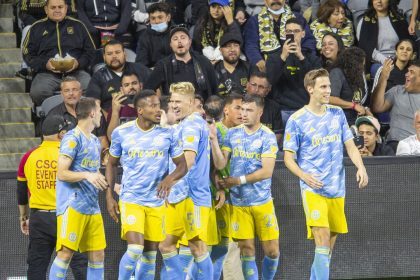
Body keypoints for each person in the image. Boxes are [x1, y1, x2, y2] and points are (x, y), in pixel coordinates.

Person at [283, 68, 369, 280]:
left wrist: (361, 167)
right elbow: (288, 158)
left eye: (329, 86)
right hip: (313, 189)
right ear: (310, 89)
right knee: (321, 240)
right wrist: (304, 176)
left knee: (327, 249)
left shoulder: (337, 114)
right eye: (323, 86)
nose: (328, 90)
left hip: (336, 188)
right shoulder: (297, 119)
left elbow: (349, 145)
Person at [105, 90, 187, 279]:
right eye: (153, 106)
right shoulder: (121, 133)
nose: (159, 110)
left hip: (156, 202)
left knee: (150, 257)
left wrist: (169, 179)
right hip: (131, 199)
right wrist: (109, 196)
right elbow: (111, 163)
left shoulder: (169, 134)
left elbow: (182, 165)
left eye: (159, 105)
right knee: (135, 249)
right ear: (140, 110)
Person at [209, 94, 280, 280]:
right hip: (238, 204)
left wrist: (237, 181)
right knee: (246, 250)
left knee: (272, 252)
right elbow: (221, 163)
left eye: (249, 110)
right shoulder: (232, 134)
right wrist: (214, 142)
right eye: (241, 109)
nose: (244, 114)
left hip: (262, 202)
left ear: (260, 112)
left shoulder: (268, 136)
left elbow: (266, 172)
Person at [17, 115, 87, 280]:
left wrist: (24, 217)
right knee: (79, 264)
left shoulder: (28, 157)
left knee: (37, 265)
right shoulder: (71, 155)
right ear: (61, 134)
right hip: (68, 216)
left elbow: (21, 191)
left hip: (39, 218)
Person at [159, 82, 213, 280]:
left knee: (197, 246)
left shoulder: (192, 124)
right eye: (171, 100)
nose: (173, 105)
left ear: (191, 102)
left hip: (193, 196)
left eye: (178, 101)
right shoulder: (182, 124)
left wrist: (168, 181)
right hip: (177, 196)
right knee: (165, 245)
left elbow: (188, 161)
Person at [49, 98, 108, 280]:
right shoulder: (72, 138)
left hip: (92, 206)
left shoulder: (95, 141)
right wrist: (87, 175)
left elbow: (93, 172)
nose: (100, 115)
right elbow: (61, 173)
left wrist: (101, 179)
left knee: (98, 254)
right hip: (72, 205)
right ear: (91, 113)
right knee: (66, 253)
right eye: (98, 111)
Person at [22, 0, 96, 106]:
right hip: (47, 74)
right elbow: (27, 53)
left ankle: (80, 116)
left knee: (91, 88)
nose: (57, 10)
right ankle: (54, 116)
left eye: (60, 7)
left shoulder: (78, 25)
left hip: (76, 72)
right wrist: (45, 64)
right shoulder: (36, 27)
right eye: (53, 8)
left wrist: (78, 63)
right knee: (37, 92)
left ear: (66, 8)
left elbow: (90, 51)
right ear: (46, 10)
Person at [266, 18, 322, 125]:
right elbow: (271, 80)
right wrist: (283, 57)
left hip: (306, 109)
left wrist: (301, 57)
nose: (292, 34)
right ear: (284, 33)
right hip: (281, 110)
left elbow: (317, 83)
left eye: (296, 31)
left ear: (303, 34)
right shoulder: (273, 57)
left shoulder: (312, 58)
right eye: (289, 32)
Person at [144, 25, 218, 99]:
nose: (179, 41)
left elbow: (214, 88)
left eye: (183, 38)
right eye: (175, 39)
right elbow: (147, 90)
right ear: (171, 45)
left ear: (190, 42)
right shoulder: (164, 65)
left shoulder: (203, 61)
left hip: (201, 108)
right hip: (176, 108)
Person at [47, 77, 109, 162]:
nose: (71, 93)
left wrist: (103, 161)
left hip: (92, 162)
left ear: (81, 92)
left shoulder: (94, 112)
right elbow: (50, 147)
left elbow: (102, 140)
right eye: (67, 91)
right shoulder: (52, 116)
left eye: (75, 90)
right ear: (61, 94)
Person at [243, 0, 316, 72]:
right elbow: (250, 45)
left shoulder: (298, 18)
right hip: (267, 67)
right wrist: (258, 60)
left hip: (295, 65)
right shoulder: (254, 21)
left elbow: (308, 41)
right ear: (265, 1)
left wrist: (302, 57)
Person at [86, 40, 151, 112]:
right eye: (109, 54)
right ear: (104, 57)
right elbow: (94, 104)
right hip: (113, 119)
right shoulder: (98, 77)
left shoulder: (140, 69)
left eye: (117, 52)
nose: (114, 56)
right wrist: (108, 120)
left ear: (124, 54)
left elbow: (156, 90)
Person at [372, 59, 420, 152]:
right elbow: (376, 107)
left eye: (411, 72)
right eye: (407, 71)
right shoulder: (397, 91)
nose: (406, 74)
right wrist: (383, 78)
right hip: (396, 144)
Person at [357, 0, 412, 76]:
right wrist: (386, 61)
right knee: (390, 73)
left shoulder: (399, 20)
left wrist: (398, 60)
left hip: (400, 60)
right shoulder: (364, 22)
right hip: (376, 63)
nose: (379, 1)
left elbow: (408, 43)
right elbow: (365, 47)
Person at [329, 47, 371, 125]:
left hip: (356, 121)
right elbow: (330, 99)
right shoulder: (337, 73)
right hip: (339, 121)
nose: (363, 67)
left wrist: (366, 111)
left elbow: (359, 100)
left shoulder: (358, 76)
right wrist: (353, 106)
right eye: (361, 64)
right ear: (354, 63)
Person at [246, 71, 282, 142]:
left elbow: (278, 133)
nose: (256, 90)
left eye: (261, 87)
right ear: (247, 85)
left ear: (268, 89)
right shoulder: (238, 104)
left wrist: (267, 148)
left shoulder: (274, 107)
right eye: (253, 85)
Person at [135, 2, 173, 68]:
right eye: (153, 18)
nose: (156, 21)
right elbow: (141, 64)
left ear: (168, 17)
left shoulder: (178, 33)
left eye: (160, 17)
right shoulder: (144, 38)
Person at [106, 71, 141, 139]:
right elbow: (111, 137)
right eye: (126, 85)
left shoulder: (150, 105)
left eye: (134, 83)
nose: (131, 87)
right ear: (121, 90)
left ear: (141, 86)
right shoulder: (115, 108)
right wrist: (115, 112)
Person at [214, 32, 250, 96]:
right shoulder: (213, 70)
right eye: (228, 46)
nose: (232, 49)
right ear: (220, 50)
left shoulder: (249, 68)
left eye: (236, 45)